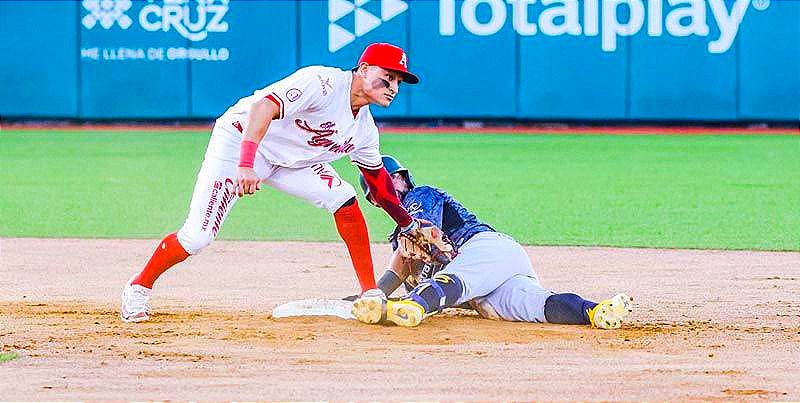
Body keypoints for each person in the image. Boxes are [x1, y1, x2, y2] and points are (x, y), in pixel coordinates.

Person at [121, 43, 438, 323]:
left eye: (399, 81)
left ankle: (370, 292)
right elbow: (263, 107)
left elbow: (379, 185)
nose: (394, 87)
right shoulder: (324, 83)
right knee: (197, 237)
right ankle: (139, 286)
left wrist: (408, 225)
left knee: (344, 197)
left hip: (293, 162)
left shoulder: (364, 130)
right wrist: (245, 165)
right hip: (242, 141)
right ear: (364, 69)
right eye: (389, 76)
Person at [350, 155, 634, 329]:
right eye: (379, 188)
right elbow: (392, 276)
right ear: (374, 200)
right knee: (534, 305)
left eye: (391, 180)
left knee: (456, 278)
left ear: (402, 179)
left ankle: (415, 307)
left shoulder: (420, 196)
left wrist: (411, 247)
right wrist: (367, 297)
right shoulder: (399, 241)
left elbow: (423, 228)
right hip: (492, 279)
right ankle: (595, 311)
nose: (387, 188)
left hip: (485, 248)